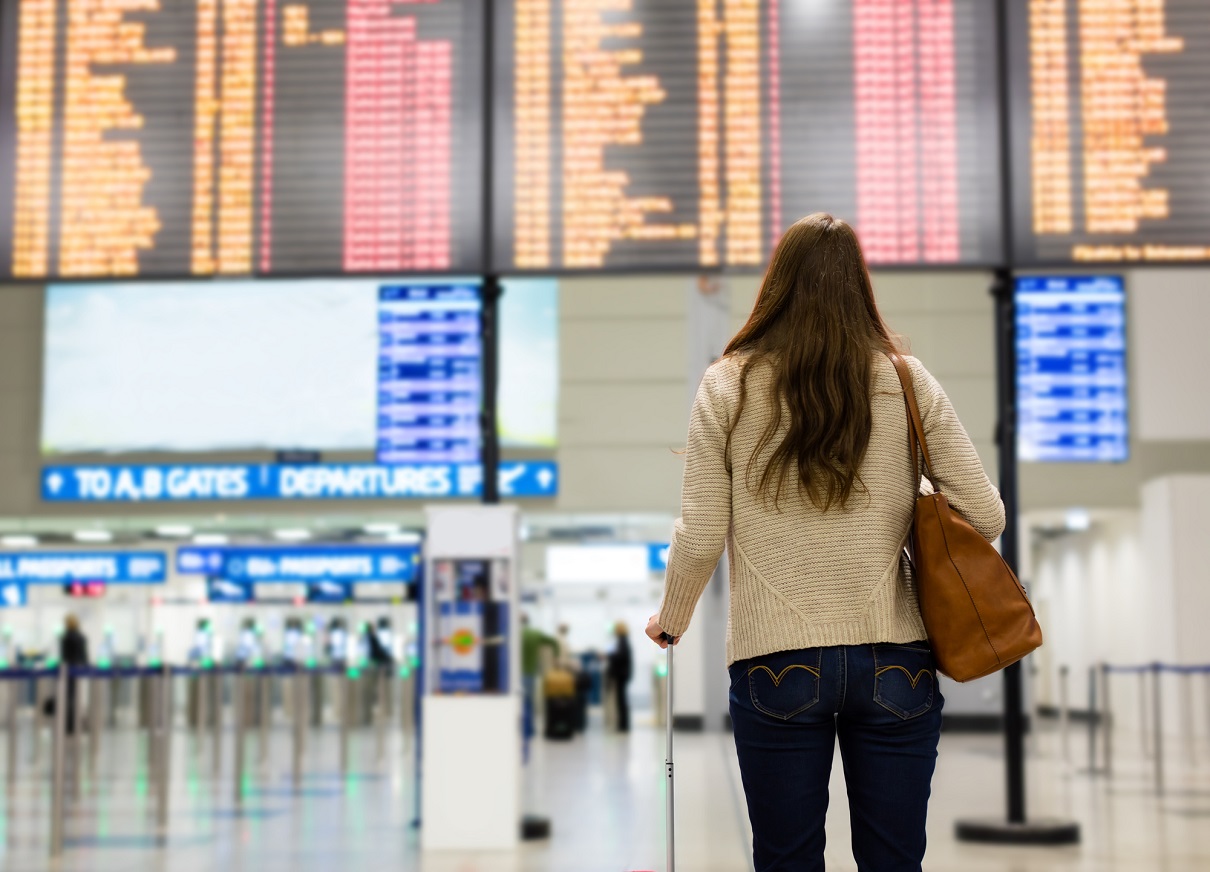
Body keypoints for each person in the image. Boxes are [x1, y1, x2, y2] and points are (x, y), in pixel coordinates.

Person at [644, 214, 1005, 872]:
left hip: (774, 664)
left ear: (775, 286)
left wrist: (671, 620)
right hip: (897, 658)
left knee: (787, 859)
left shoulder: (728, 383)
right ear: (860, 288)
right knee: (895, 861)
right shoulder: (905, 379)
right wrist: (897, 522)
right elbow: (986, 513)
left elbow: (700, 531)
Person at [60, 614, 89, 734]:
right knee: (77, 697)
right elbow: (85, 655)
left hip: (68, 671)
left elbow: (64, 656)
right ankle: (78, 723)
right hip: (79, 670)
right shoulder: (81, 637)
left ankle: (69, 724)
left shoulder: (65, 637)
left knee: (67, 698)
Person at [606, 622, 633, 732]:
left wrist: (609, 656)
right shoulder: (624, 641)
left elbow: (620, 656)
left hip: (620, 674)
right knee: (621, 699)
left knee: (621, 700)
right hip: (623, 674)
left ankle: (623, 725)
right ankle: (623, 724)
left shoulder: (622, 641)